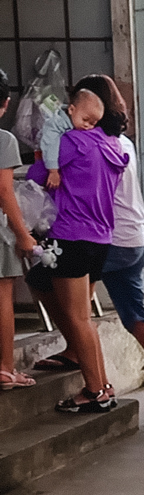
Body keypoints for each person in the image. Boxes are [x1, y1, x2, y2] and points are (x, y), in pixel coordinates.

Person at [32, 75, 144, 419]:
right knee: (134, 319)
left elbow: (41, 173)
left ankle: (91, 376)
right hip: (131, 237)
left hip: (99, 237)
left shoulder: (81, 141)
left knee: (61, 299)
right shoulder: (119, 143)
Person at [24, 78, 129, 413]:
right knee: (54, 291)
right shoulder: (113, 144)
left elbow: (37, 174)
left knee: (79, 318)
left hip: (70, 236)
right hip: (100, 239)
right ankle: (97, 379)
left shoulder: (73, 141)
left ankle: (96, 390)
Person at [0, 68, 38, 390]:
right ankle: (5, 368)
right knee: (2, 297)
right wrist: (23, 234)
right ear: (6, 103)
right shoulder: (4, 140)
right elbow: (4, 191)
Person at [38, 88, 105, 191]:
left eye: (93, 124)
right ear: (71, 110)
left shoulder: (76, 124)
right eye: (85, 120)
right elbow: (50, 144)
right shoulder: (57, 123)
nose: (87, 126)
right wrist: (53, 170)